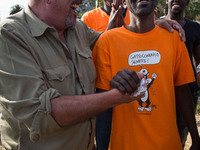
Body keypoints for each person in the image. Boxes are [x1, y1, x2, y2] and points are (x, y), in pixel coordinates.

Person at [0, 0, 186, 150]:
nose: (80, 2)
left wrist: (151, 25)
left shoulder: (77, 29)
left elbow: (119, 41)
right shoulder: (10, 35)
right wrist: (117, 96)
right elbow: (42, 111)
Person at [92, 0, 200, 149]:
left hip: (167, 144)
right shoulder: (107, 41)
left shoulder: (174, 38)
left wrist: (195, 137)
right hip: (123, 145)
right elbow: (102, 105)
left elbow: (182, 90)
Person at [165, 0, 200, 148]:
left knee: (180, 134)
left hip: (188, 90)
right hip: (163, 90)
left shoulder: (194, 28)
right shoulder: (156, 25)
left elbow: (199, 61)